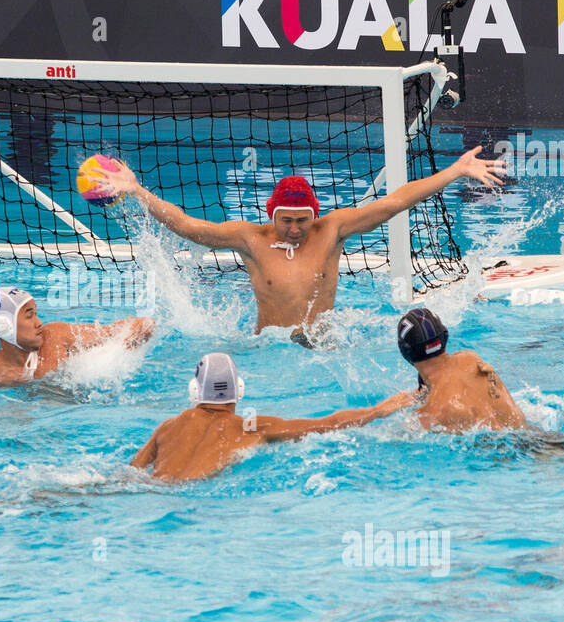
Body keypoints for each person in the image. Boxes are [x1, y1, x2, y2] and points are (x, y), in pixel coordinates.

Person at [92, 148, 508, 339]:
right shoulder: (250, 238)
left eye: (302, 221)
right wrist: (137, 191)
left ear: (315, 215)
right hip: (266, 349)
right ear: (272, 216)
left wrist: (455, 171)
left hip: (322, 342)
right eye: (287, 222)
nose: (294, 229)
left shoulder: (331, 230)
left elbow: (395, 201)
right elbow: (187, 226)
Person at [130, 352, 414, 481]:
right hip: (193, 498)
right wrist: (379, 410)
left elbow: (132, 471)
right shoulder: (252, 427)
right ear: (239, 390)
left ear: (195, 391)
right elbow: (328, 424)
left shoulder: (168, 426)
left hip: (150, 491)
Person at [0, 286, 155, 387]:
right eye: (29, 315)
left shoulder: (55, 336)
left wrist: (119, 353)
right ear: (4, 326)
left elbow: (141, 324)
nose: (39, 322)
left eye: (36, 313)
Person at [395, 308, 528, 432]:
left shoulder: (428, 417)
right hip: (538, 438)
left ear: (405, 351)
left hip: (503, 455)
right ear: (444, 336)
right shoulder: (471, 358)